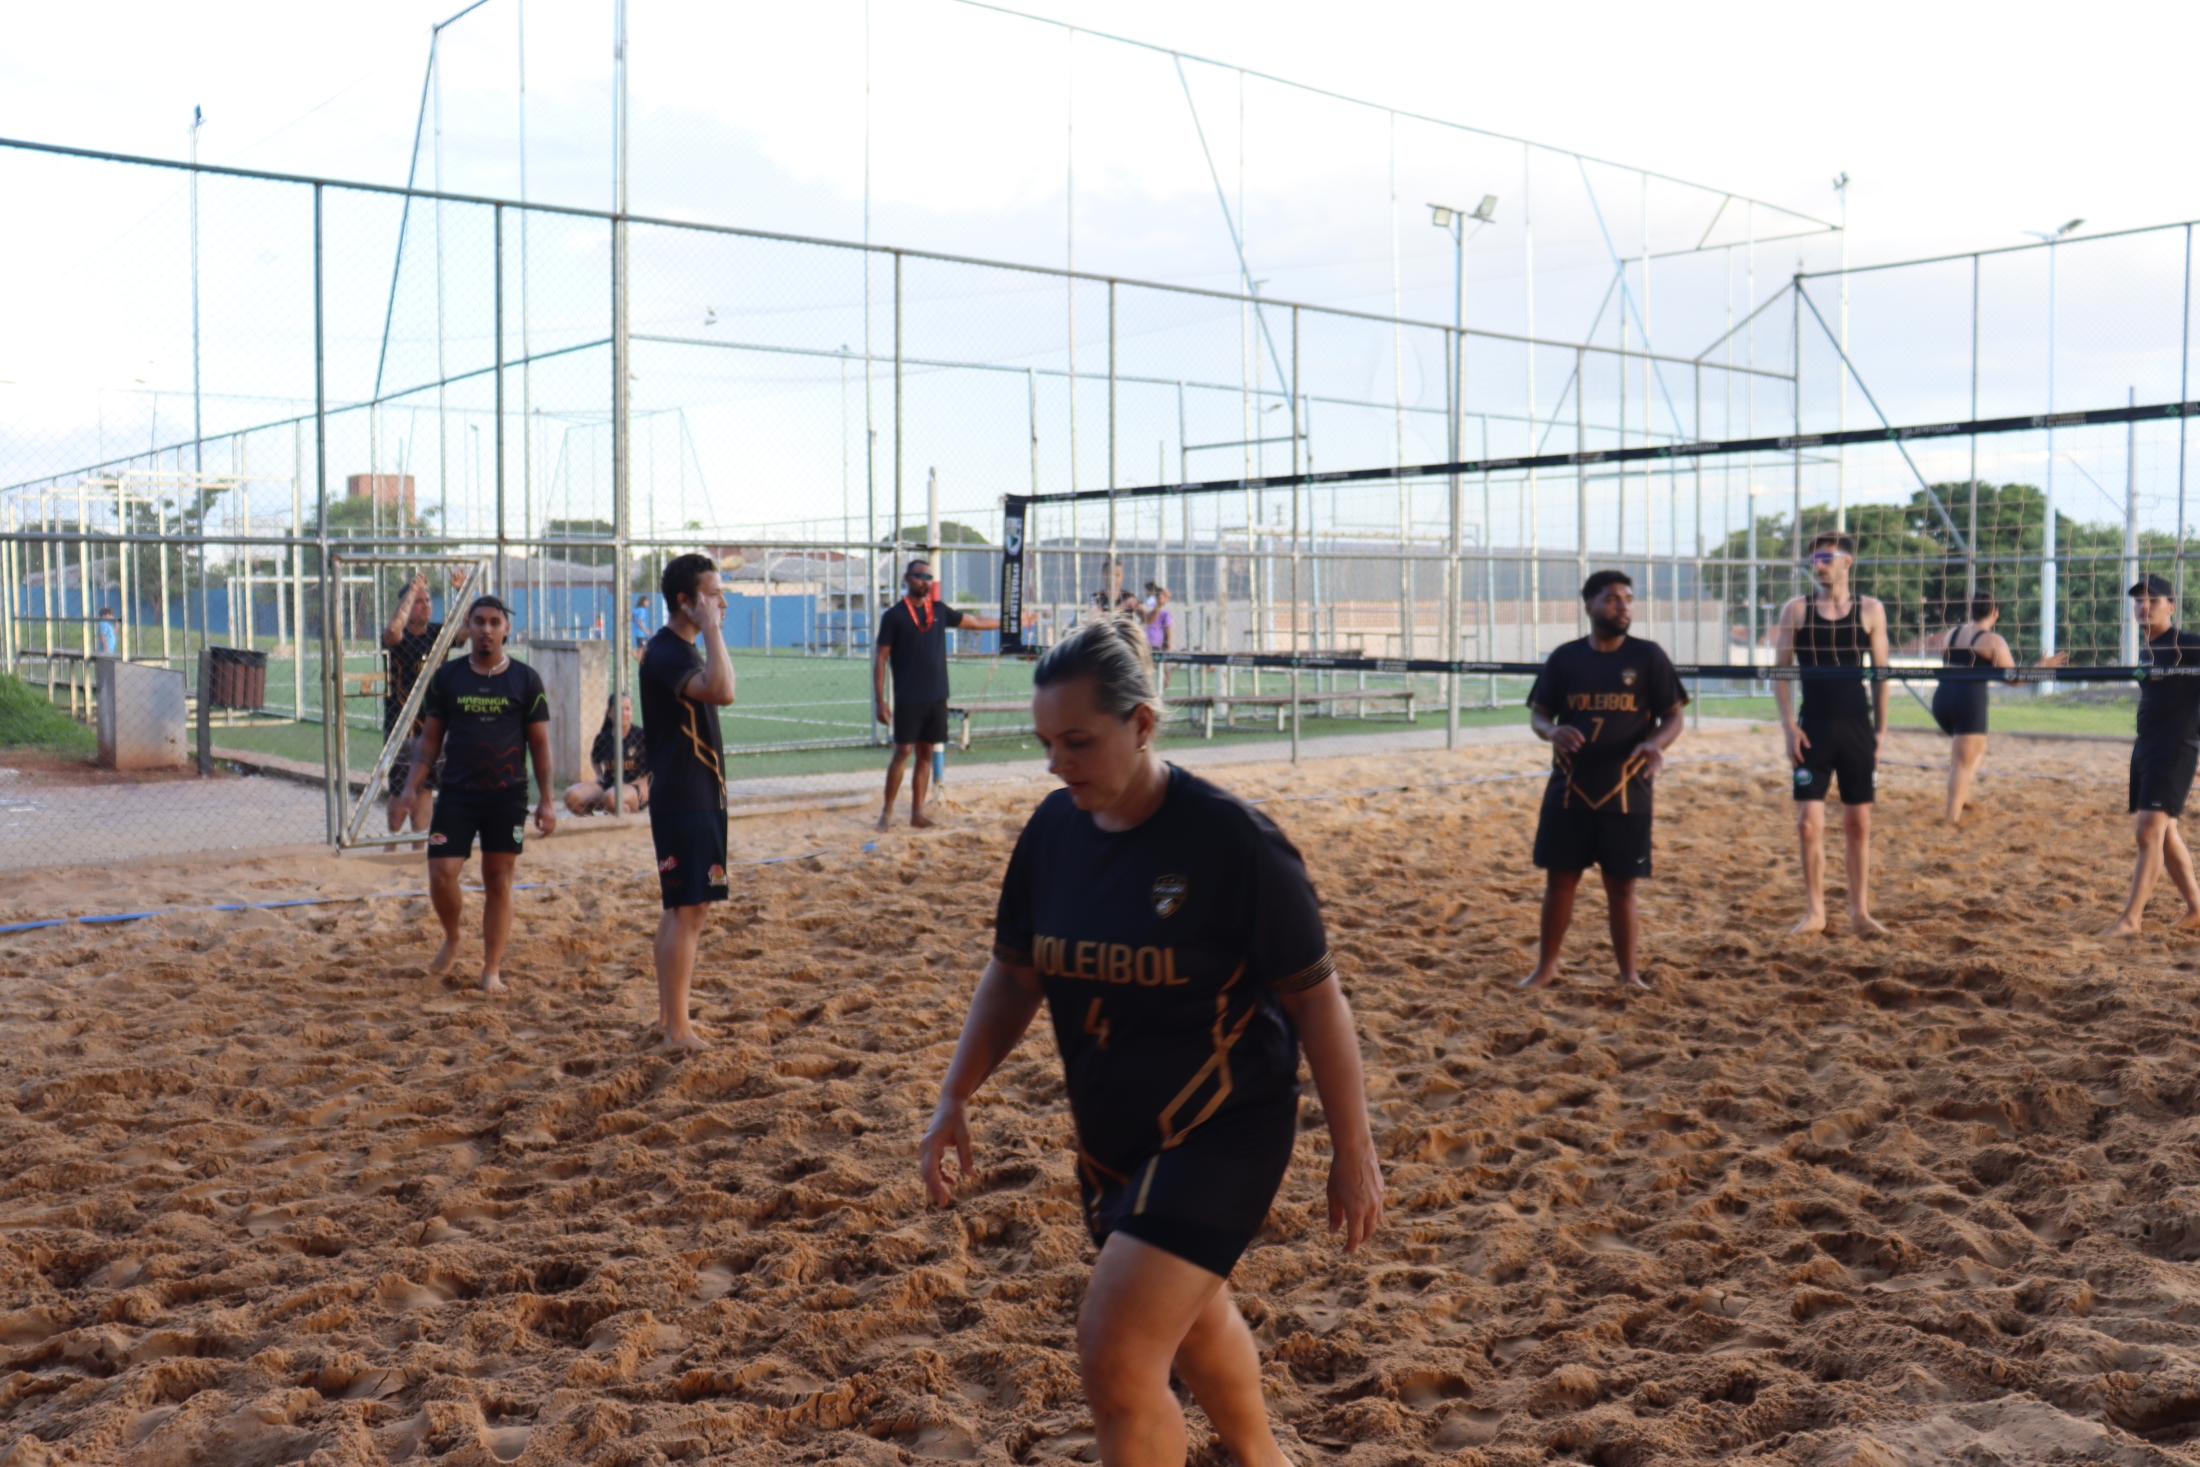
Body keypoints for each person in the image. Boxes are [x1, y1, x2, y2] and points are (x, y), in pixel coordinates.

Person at [919, 616, 1382, 1467]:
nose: (1058, 763)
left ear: (1141, 723)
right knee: (1192, 1316)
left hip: (1222, 1125)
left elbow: (1319, 1002)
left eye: (1078, 742)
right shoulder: (1053, 831)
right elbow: (1016, 974)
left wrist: (1352, 1150)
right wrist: (955, 1094)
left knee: (1117, 1352)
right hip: (1112, 1137)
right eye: (1047, 743)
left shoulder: (1231, 839)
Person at [1519, 571, 1687, 990]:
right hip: (1569, 789)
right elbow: (1539, 715)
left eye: (1628, 599)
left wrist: (1655, 744)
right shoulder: (1565, 657)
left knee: (1622, 887)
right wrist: (1552, 731)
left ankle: (1629, 976)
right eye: (1612, 599)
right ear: (1589, 606)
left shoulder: (1648, 656)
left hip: (1627, 790)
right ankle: (1545, 969)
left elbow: (1674, 717)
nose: (1623, 606)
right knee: (1560, 882)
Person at [388, 595, 556, 993]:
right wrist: (409, 790)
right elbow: (429, 740)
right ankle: (453, 936)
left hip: (507, 795)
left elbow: (540, 744)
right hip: (457, 793)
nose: (486, 629)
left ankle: (491, 970)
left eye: (495, 622)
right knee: (441, 873)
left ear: (506, 629)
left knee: (497, 879)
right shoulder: (447, 677)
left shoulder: (526, 680)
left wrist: (547, 800)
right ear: (468, 625)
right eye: (479, 621)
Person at [641, 553, 737, 1049]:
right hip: (685, 794)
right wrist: (713, 629)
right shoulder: (667, 651)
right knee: (690, 909)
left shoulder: (679, 649)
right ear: (686, 601)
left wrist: (710, 629)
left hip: (696, 791)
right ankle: (678, 1029)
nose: (723, 603)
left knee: (681, 906)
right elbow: (723, 690)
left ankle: (670, 1019)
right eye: (713, 594)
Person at [1774, 531, 1891, 937]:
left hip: (1857, 726)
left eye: (1826, 558)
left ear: (1847, 562)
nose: (1819, 565)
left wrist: (1881, 732)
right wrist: (1789, 726)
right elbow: (1779, 673)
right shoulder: (1796, 609)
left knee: (1859, 823)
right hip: (1813, 728)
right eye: (1815, 560)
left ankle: (1860, 913)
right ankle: (1816, 912)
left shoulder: (1871, 610)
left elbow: (1881, 676)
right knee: (1808, 824)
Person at [2101, 575, 2200, 937]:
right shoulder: (2149, 647)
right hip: (2147, 746)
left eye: (2153, 600)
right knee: (2165, 831)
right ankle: (2197, 909)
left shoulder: (2188, 644)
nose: (2144, 606)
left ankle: (2131, 920)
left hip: (2175, 748)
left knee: (2147, 831)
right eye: (2139, 601)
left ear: (2171, 606)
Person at [873, 559, 1004, 831]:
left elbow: (975, 621)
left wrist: (1009, 624)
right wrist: (880, 700)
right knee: (903, 751)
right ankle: (886, 812)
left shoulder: (939, 611)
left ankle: (917, 813)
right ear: (907, 578)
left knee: (926, 753)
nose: (926, 581)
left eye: (929, 577)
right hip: (908, 697)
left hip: (936, 696)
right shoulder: (894, 616)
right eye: (920, 576)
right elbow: (881, 658)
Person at [1925, 591, 2066, 823]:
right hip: (1967, 701)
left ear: (1971, 610)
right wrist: (2041, 666)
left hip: (1941, 700)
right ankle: (1951, 819)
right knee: (1961, 765)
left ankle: (1961, 795)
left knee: (1978, 748)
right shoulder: (1993, 641)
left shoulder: (1952, 633)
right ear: (1995, 612)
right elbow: (2014, 679)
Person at [382, 573, 445, 839]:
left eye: (427, 600)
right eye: (418, 601)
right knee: (400, 787)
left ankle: (420, 843)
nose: (425, 605)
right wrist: (411, 590)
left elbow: (466, 628)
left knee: (426, 786)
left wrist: (461, 589)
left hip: (432, 724)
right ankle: (393, 841)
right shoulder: (398, 635)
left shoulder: (438, 633)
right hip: (402, 725)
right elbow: (391, 633)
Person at [563, 692, 649, 815]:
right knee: (571, 796)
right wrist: (599, 774)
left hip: (633, 787)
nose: (623, 713)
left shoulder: (641, 736)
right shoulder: (603, 737)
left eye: (627, 709)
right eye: (619, 709)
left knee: (612, 798)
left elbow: (659, 760)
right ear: (609, 712)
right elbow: (595, 758)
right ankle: (596, 824)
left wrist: (645, 781)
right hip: (608, 785)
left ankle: (624, 818)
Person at [631, 594, 652, 662]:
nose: (648, 603)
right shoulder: (642, 610)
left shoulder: (635, 609)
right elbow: (639, 622)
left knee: (643, 646)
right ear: (643, 602)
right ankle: (638, 657)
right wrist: (645, 630)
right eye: (647, 601)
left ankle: (640, 658)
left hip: (636, 632)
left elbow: (632, 619)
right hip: (641, 633)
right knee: (643, 647)